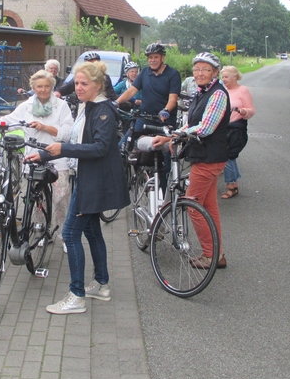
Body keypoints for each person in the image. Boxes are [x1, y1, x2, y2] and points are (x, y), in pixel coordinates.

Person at [25, 61, 129, 315]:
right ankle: (101, 285)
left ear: (98, 85)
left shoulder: (102, 110)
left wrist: (64, 149)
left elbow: (100, 148)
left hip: (93, 183)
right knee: (92, 233)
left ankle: (77, 295)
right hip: (88, 178)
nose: (78, 87)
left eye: (84, 84)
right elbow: (74, 143)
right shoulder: (88, 107)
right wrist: (45, 155)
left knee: (70, 234)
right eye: (77, 83)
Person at [0, 69, 74, 246]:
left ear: (52, 87)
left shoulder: (61, 106)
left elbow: (67, 132)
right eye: (39, 86)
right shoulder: (26, 106)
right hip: (34, 156)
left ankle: (64, 234)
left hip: (57, 157)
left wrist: (45, 127)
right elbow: (8, 121)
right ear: (33, 87)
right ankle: (41, 229)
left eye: (47, 86)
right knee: (37, 196)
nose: (43, 90)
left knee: (62, 196)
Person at [156, 52, 230, 269]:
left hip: (209, 157)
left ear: (215, 72)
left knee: (193, 206)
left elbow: (206, 128)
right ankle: (218, 253)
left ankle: (210, 254)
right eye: (197, 69)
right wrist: (173, 134)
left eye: (206, 69)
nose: (200, 73)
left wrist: (178, 136)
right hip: (204, 156)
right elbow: (190, 124)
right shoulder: (200, 93)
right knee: (209, 207)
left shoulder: (217, 94)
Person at [116, 42, 181, 191]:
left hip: (164, 122)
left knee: (166, 160)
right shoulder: (145, 72)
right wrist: (116, 103)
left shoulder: (173, 74)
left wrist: (166, 110)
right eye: (150, 57)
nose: (152, 60)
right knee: (123, 147)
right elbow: (131, 91)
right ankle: (137, 176)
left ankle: (163, 196)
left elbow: (172, 99)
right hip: (144, 118)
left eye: (156, 57)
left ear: (163, 57)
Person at [219, 65, 255, 199]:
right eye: (222, 77)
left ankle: (231, 186)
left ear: (235, 77)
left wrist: (243, 111)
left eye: (226, 77)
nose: (224, 79)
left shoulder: (242, 90)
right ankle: (233, 184)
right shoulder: (222, 91)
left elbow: (251, 110)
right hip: (224, 128)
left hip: (237, 129)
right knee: (229, 157)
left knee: (227, 156)